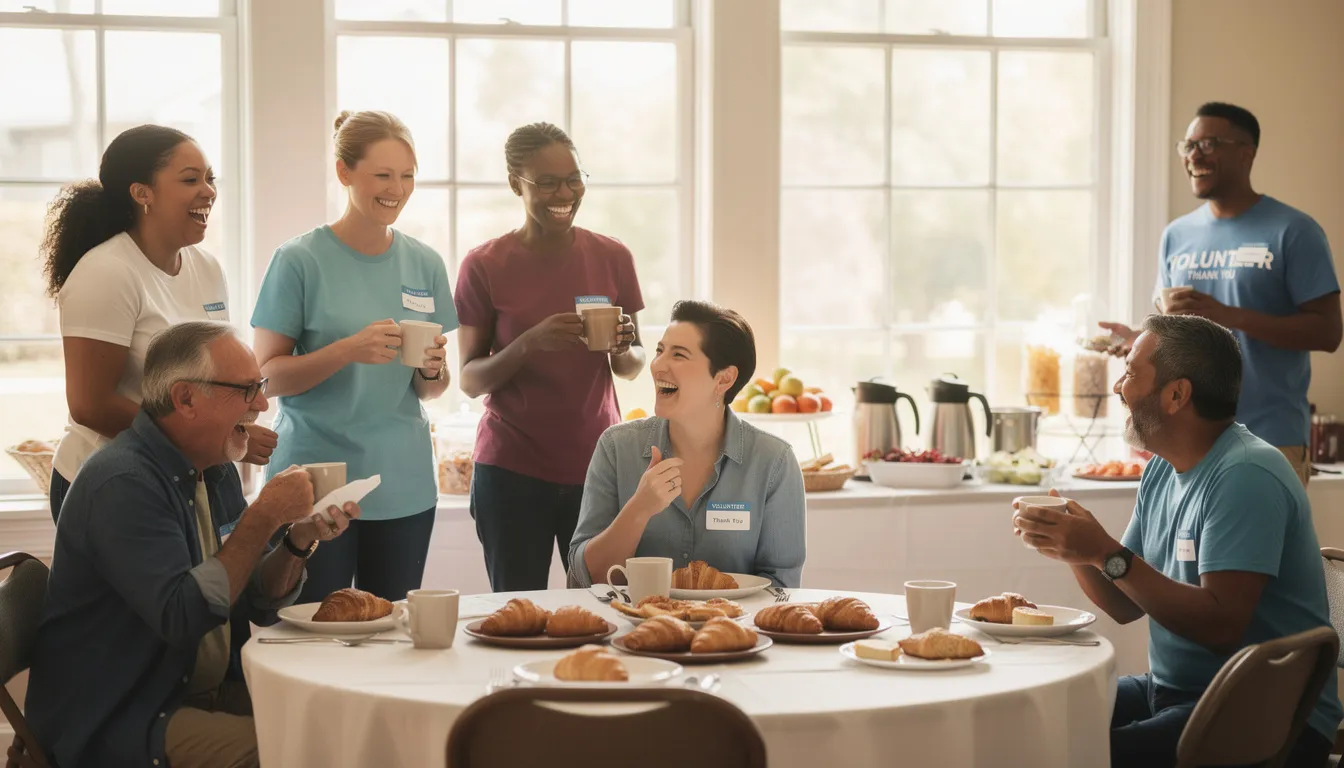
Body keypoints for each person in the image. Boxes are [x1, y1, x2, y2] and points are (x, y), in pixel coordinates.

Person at [26, 321, 361, 768]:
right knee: (306, 752)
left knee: (343, 723)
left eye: (260, 387)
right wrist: (263, 515)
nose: (262, 403)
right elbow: (183, 616)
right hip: (122, 714)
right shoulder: (123, 484)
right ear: (185, 399)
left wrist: (297, 540)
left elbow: (257, 601)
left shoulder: (215, 467)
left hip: (191, 692)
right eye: (246, 389)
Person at [1013, 314, 1341, 768]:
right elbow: (1124, 603)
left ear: (1176, 395)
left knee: (1077, 755)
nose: (1118, 387)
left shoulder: (1246, 475)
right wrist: (1073, 548)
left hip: (1266, 715)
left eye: (1131, 372)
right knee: (1036, 721)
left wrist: (1103, 551)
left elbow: (1220, 626)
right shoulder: (1162, 470)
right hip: (1179, 691)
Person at [251, 110, 456, 604]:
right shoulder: (299, 260)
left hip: (403, 481)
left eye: (407, 176)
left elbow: (430, 388)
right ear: (344, 172)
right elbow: (266, 379)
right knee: (311, 628)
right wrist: (348, 350)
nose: (397, 189)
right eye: (382, 175)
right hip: (315, 480)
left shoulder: (425, 263)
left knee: (392, 629)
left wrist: (432, 370)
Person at [38, 124, 277, 522]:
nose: (209, 191)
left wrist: (227, 430)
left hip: (186, 473)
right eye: (190, 179)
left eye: (210, 178)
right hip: (112, 480)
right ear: (142, 193)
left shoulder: (207, 268)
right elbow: (90, 406)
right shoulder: (106, 273)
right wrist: (214, 437)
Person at [1100, 102, 1342, 485]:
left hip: (1268, 438)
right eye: (1188, 146)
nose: (1194, 155)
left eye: (1208, 144)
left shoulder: (1294, 230)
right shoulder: (1176, 235)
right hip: (1181, 438)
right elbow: (1180, 331)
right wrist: (1138, 339)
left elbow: (1328, 333)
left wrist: (1229, 316)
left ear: (1247, 153)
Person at [455, 121, 646, 592]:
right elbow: (470, 380)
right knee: (518, 613)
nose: (565, 193)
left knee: (604, 606)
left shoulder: (613, 256)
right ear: (515, 184)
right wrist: (529, 342)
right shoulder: (484, 265)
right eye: (546, 183)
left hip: (597, 466)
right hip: (511, 470)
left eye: (574, 179)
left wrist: (624, 347)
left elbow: (631, 364)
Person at [568, 300, 806, 589]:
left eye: (679, 355)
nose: (657, 365)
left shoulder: (774, 462)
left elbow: (781, 585)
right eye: (660, 351)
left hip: (736, 620)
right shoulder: (616, 448)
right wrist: (639, 509)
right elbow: (587, 578)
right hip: (635, 619)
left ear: (724, 379)